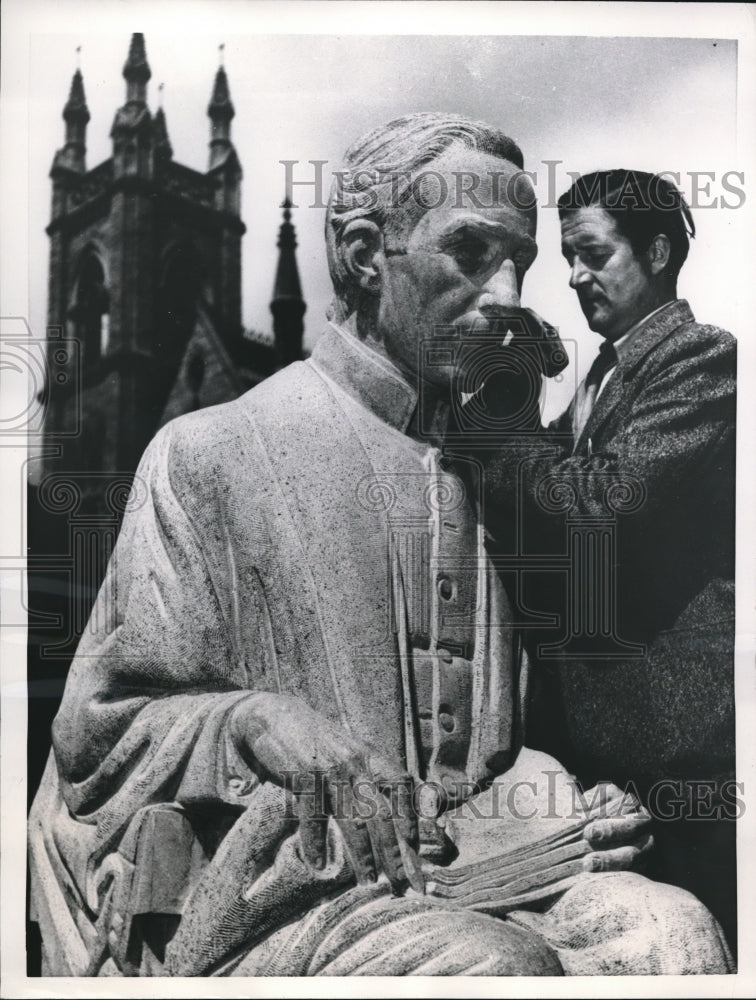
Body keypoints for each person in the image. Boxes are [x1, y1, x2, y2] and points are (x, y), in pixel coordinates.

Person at [28, 119, 733, 978]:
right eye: (470, 252)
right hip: (295, 886)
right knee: (496, 967)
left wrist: (572, 805)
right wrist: (257, 721)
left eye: (522, 261)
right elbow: (98, 734)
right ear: (365, 254)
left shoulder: (492, 471)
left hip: (485, 859)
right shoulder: (209, 452)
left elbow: (493, 746)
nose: (508, 294)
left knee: (675, 932)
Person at [470, 170, 736, 951]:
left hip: (676, 755)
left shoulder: (701, 359)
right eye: (567, 258)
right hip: (605, 754)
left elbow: (600, 502)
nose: (576, 276)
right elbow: (537, 492)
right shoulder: (603, 374)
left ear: (655, 250)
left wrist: (505, 419)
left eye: (592, 253)